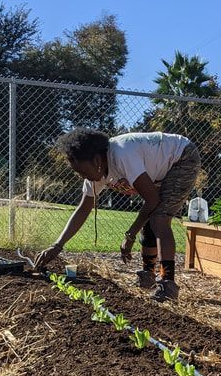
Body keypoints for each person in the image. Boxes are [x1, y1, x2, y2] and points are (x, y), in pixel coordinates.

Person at [34, 129, 200, 301]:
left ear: (97, 160)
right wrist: (57, 245)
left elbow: (152, 200)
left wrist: (130, 235)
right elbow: (83, 209)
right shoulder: (95, 175)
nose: (81, 177)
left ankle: (168, 284)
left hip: (182, 157)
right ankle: (148, 276)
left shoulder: (122, 154)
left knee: (159, 219)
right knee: (150, 218)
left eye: (82, 171)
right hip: (161, 168)